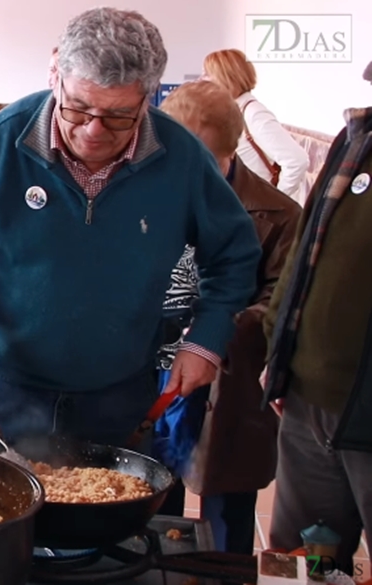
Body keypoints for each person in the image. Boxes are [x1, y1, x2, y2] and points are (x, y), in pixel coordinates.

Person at [0, 7, 261, 450]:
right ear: (55, 73)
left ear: (148, 96)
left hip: (116, 396)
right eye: (78, 107)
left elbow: (235, 253)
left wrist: (207, 339)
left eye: (119, 116)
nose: (94, 130)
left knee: (108, 515)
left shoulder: (182, 158)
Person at [155, 80, 300, 553]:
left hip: (229, 380)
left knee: (227, 518)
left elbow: (281, 298)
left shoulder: (280, 214)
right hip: (149, 377)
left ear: (231, 153)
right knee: (150, 505)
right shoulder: (142, 195)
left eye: (206, 164)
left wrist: (218, 333)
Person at [263, 60, 372, 577]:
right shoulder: (355, 140)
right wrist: (279, 353)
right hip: (310, 401)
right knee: (300, 561)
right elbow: (307, 253)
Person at [203, 49, 310, 205]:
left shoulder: (253, 113)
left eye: (207, 74)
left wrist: (273, 201)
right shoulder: (232, 109)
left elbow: (297, 161)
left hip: (256, 208)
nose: (202, 79)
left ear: (227, 77)